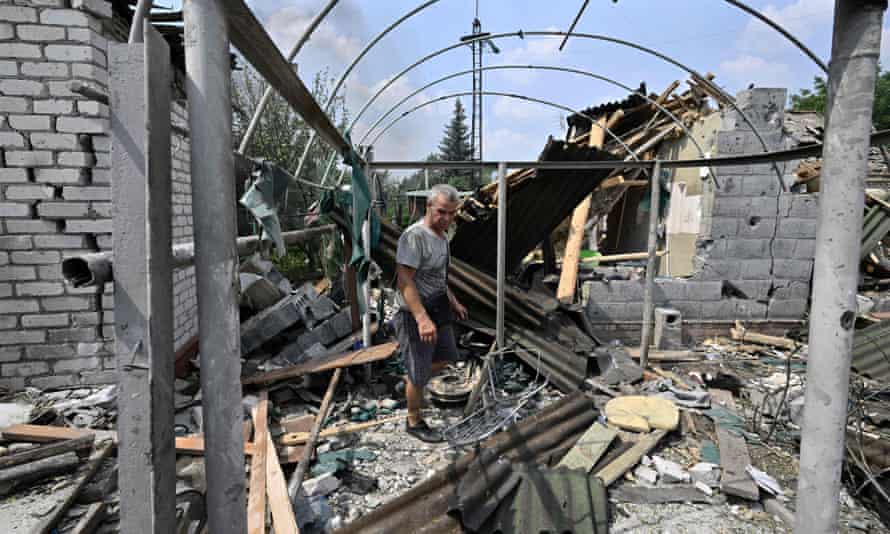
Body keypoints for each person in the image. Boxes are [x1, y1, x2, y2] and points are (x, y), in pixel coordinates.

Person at [394, 183, 468, 443]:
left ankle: (411, 381)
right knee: (419, 371)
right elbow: (405, 280)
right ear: (428, 207)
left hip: (438, 307)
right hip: (414, 313)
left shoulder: (442, 236)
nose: (446, 218)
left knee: (447, 357)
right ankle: (413, 420)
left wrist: (453, 301)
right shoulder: (415, 236)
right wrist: (421, 318)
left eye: (451, 213)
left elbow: (437, 276)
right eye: (441, 212)